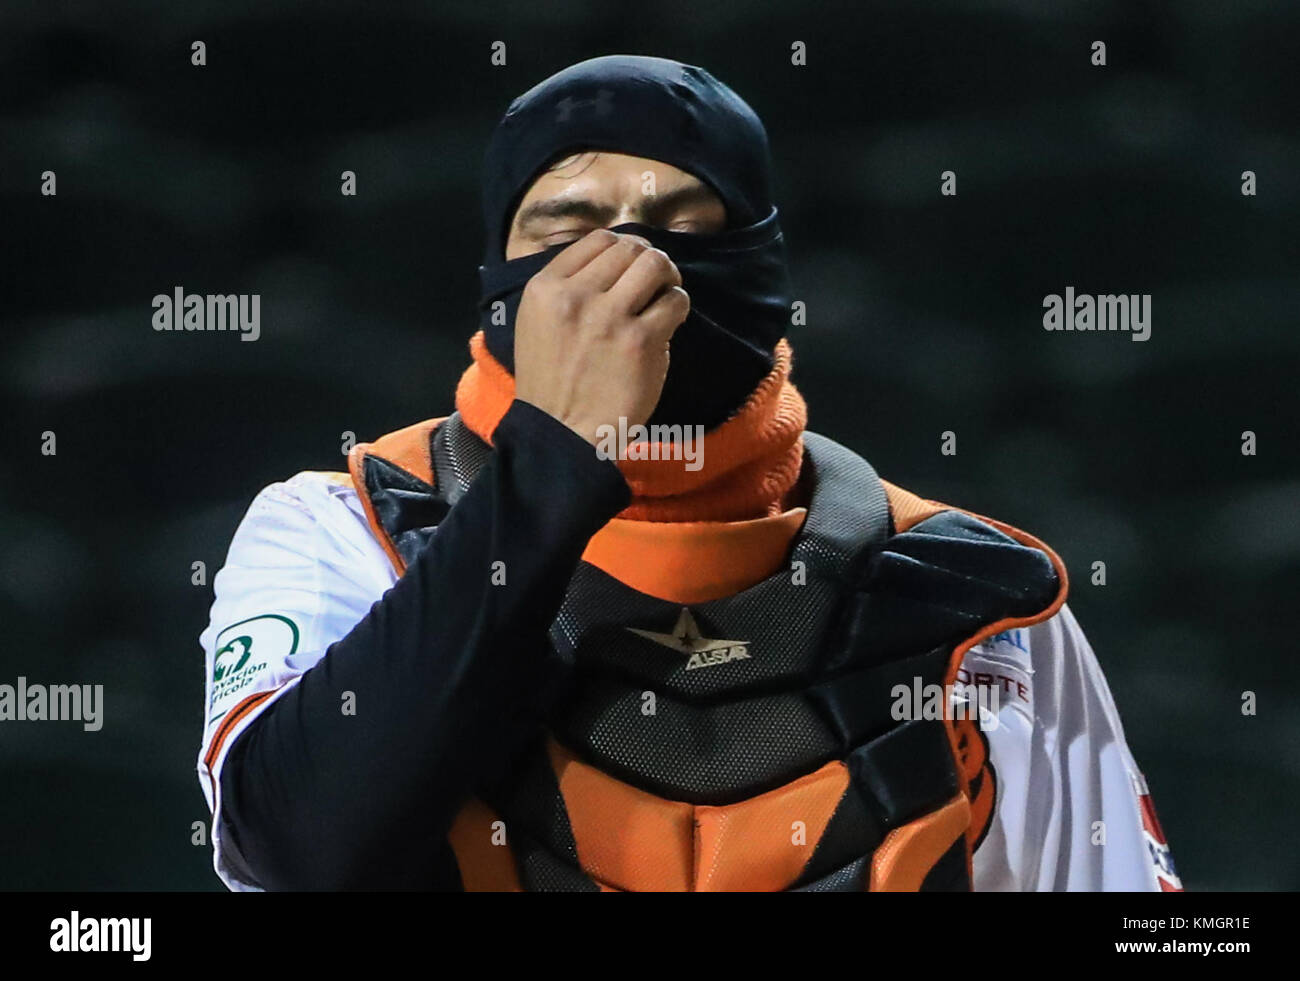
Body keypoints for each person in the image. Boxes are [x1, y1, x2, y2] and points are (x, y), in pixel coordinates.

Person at [196, 55, 1181, 892]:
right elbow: (299, 852)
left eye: (683, 222)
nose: (628, 263)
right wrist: (557, 455)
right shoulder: (339, 528)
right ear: (501, 277)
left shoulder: (982, 598)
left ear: (763, 266)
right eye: (567, 228)